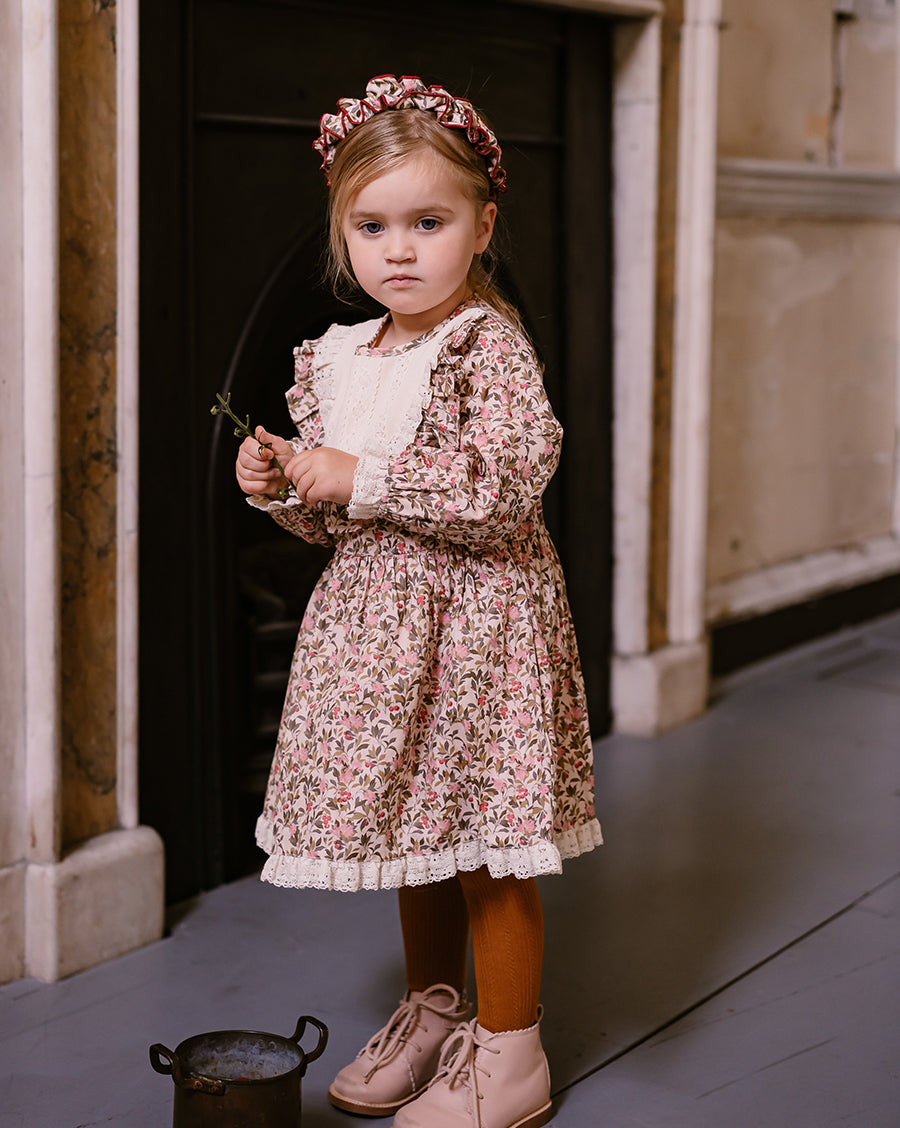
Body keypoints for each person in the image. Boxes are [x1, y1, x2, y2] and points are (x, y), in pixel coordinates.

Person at [234, 74, 602, 1128]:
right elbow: (340, 523)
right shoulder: (339, 357)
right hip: (380, 642)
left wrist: (365, 474)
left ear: (481, 228)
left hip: (479, 631)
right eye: (373, 227)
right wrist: (289, 485)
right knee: (416, 829)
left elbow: (504, 487)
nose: (398, 250)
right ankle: (436, 1012)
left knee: (484, 842)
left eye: (428, 223)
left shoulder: (487, 347)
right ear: (342, 235)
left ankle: (512, 1053)